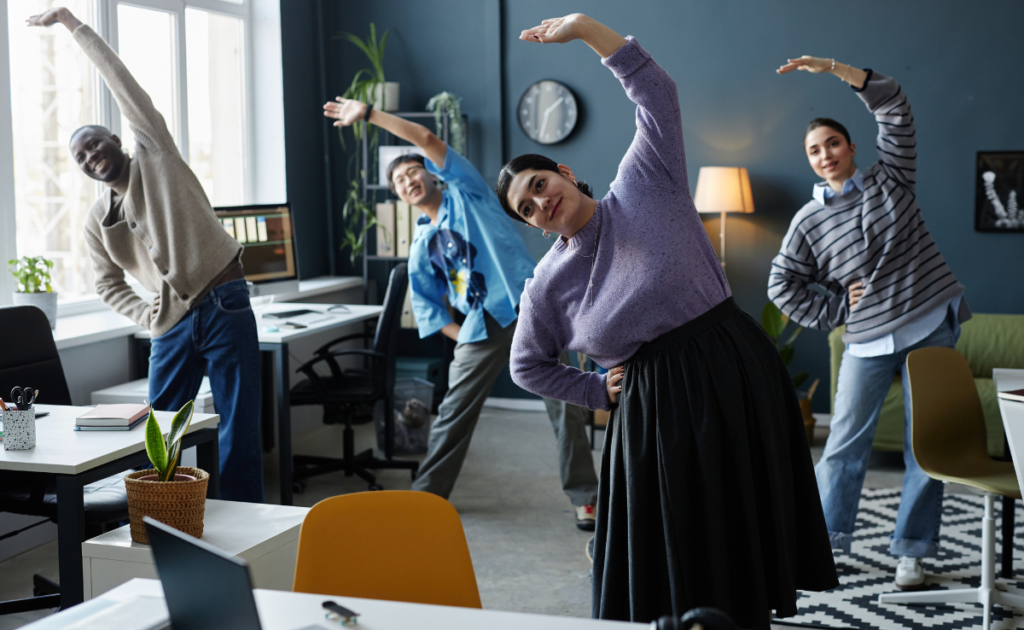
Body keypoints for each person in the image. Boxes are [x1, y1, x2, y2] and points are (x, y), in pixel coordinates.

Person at [497, 14, 837, 628]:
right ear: (531, 225)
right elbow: (526, 365)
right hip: (654, 406)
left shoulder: (645, 183)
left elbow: (657, 94)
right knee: (679, 541)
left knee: (743, 518)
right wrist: (595, 390)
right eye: (528, 208)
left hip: (732, 366)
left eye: (541, 184)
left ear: (565, 174)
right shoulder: (547, 283)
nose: (542, 202)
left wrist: (585, 30)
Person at [323, 98, 600, 529]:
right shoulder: (419, 248)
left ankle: (587, 497)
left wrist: (371, 115)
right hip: (479, 326)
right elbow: (430, 310)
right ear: (398, 194)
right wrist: (467, 339)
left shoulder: (467, 193)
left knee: (566, 405)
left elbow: (427, 138)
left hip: (530, 309)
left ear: (430, 173)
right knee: (453, 412)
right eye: (398, 180)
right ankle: (427, 499)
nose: (408, 180)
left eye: (413, 170)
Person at [28, 8, 263, 503]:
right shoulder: (97, 219)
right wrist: (145, 311)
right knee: (159, 435)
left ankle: (246, 526)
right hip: (169, 325)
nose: (92, 156)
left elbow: (123, 84)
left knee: (237, 426)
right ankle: (162, 523)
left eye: (96, 144)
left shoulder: (156, 156)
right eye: (82, 157)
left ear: (116, 139)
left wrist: (74, 25)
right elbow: (106, 283)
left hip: (224, 301)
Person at [770, 55, 970, 589]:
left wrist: (835, 68)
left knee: (927, 446)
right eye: (814, 151)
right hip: (865, 340)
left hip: (931, 324)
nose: (825, 155)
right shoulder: (808, 221)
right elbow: (781, 285)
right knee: (842, 449)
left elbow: (896, 108)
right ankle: (826, 546)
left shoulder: (892, 177)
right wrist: (838, 308)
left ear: (851, 147)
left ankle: (913, 551)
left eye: (832, 143)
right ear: (810, 161)